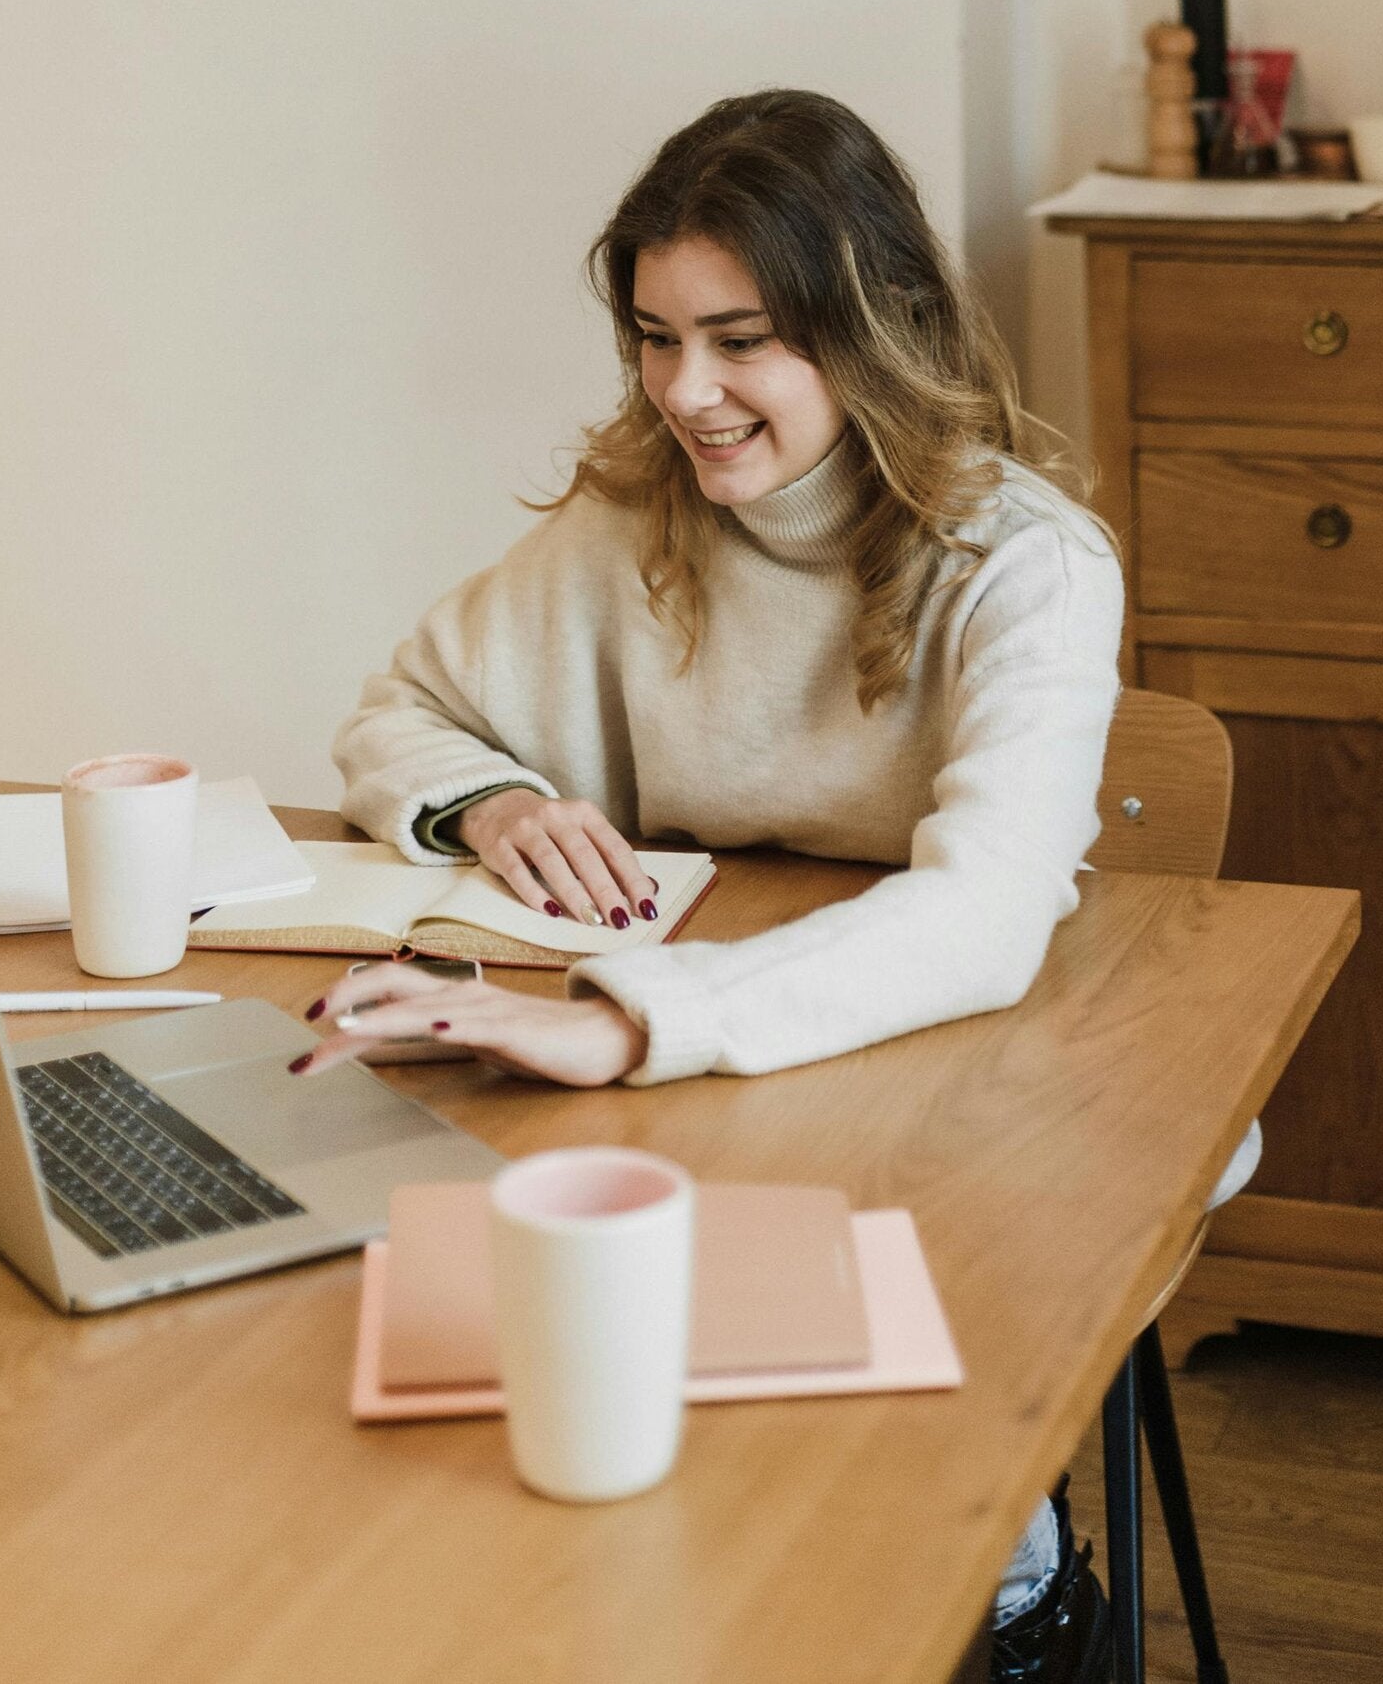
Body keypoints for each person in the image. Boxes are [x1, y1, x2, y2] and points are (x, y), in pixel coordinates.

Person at [298, 89, 1124, 1684]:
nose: (689, 390)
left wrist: (626, 1021)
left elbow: (989, 913)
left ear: (867, 325)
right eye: (657, 337)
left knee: (888, 1505)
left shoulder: (1030, 561)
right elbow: (396, 709)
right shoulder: (633, 521)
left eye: (741, 339)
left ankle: (1022, 1615)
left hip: (959, 1062)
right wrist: (493, 798)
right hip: (716, 1061)